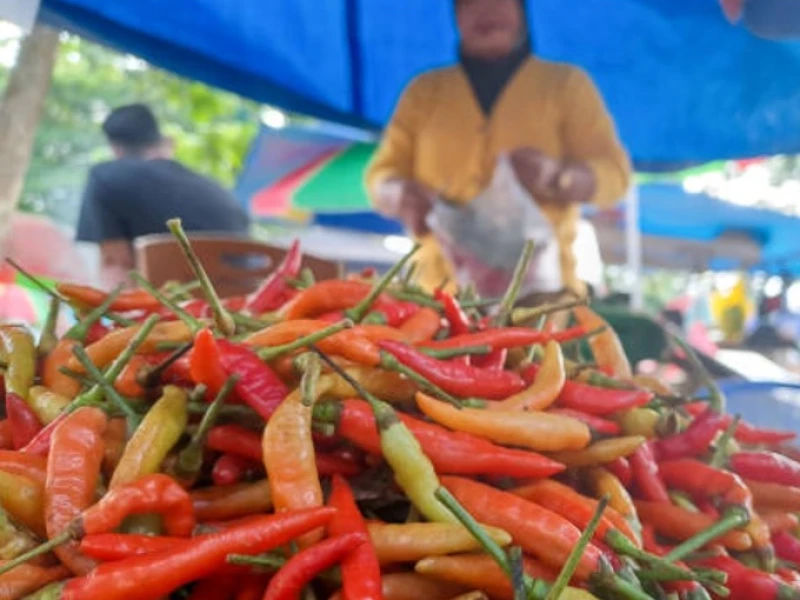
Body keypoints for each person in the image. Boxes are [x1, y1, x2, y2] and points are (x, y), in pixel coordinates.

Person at [366, 0, 631, 303]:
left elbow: (616, 176)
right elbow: (380, 176)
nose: (486, 11)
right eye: (471, 3)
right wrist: (398, 195)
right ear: (456, 15)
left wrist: (557, 177)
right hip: (437, 298)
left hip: (540, 298)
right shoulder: (424, 92)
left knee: (541, 352)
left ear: (522, 11)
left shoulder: (566, 86)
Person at [76, 104, 250, 288]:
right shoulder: (221, 193)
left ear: (116, 148)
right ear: (164, 141)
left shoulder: (105, 177)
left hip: (167, 312)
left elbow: (115, 265)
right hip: (241, 311)